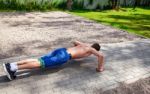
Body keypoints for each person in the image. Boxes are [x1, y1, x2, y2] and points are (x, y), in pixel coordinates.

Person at [3, 41, 104, 80]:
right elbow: (101, 56)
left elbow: (74, 41)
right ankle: (13, 69)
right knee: (39, 64)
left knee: (38, 59)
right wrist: (100, 68)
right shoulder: (91, 50)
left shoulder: (84, 45)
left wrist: (76, 51)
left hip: (62, 50)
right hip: (64, 56)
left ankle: (11, 64)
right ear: (95, 49)